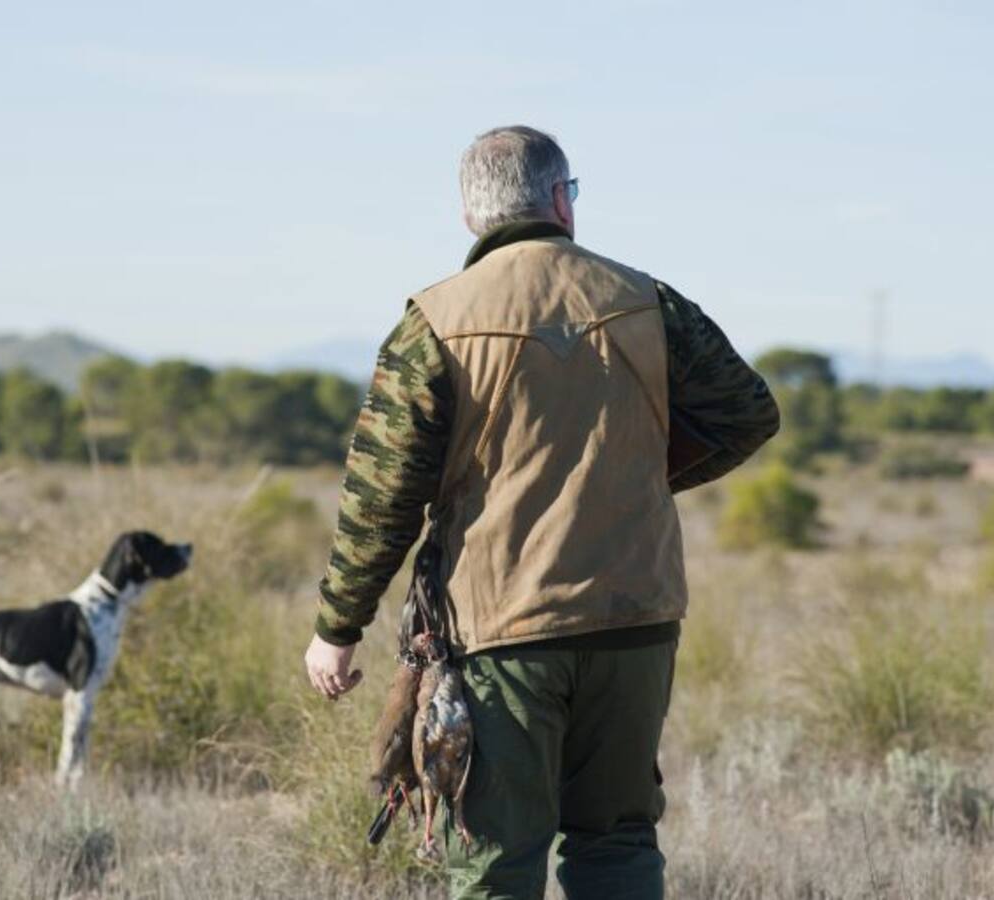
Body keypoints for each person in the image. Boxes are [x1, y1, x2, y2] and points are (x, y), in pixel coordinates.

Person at [304, 125, 780, 899]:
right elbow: (749, 414)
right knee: (618, 841)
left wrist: (338, 628)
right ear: (562, 202)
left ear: (470, 218)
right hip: (635, 620)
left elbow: (382, 494)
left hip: (500, 632)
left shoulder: (434, 320)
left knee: (495, 857)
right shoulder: (648, 301)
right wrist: (632, 482)